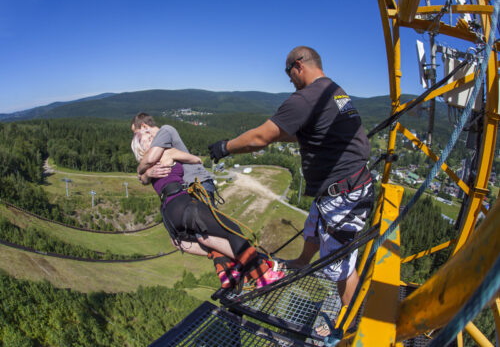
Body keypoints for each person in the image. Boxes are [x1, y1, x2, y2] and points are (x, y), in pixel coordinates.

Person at [208, 46, 374, 318]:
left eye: (289, 75)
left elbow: (259, 138)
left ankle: (352, 323)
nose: (290, 82)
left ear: (298, 65)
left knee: (339, 266)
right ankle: (301, 262)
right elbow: (310, 133)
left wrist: (226, 146)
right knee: (313, 226)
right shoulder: (335, 91)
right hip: (348, 185)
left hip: (343, 194)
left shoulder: (306, 98)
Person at [131, 129, 284, 289]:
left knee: (208, 237)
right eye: (150, 138)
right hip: (182, 203)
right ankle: (263, 275)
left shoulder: (144, 171)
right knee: (230, 229)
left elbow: (142, 178)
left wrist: (145, 172)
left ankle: (226, 272)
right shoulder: (167, 152)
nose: (156, 138)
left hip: (169, 214)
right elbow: (196, 160)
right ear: (143, 149)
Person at [131, 113, 217, 205]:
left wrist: (139, 169)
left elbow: (150, 159)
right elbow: (143, 179)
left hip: (199, 182)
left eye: (136, 132)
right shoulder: (157, 146)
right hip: (189, 186)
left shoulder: (165, 130)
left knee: (206, 217)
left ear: (144, 126)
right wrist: (147, 173)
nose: (136, 137)